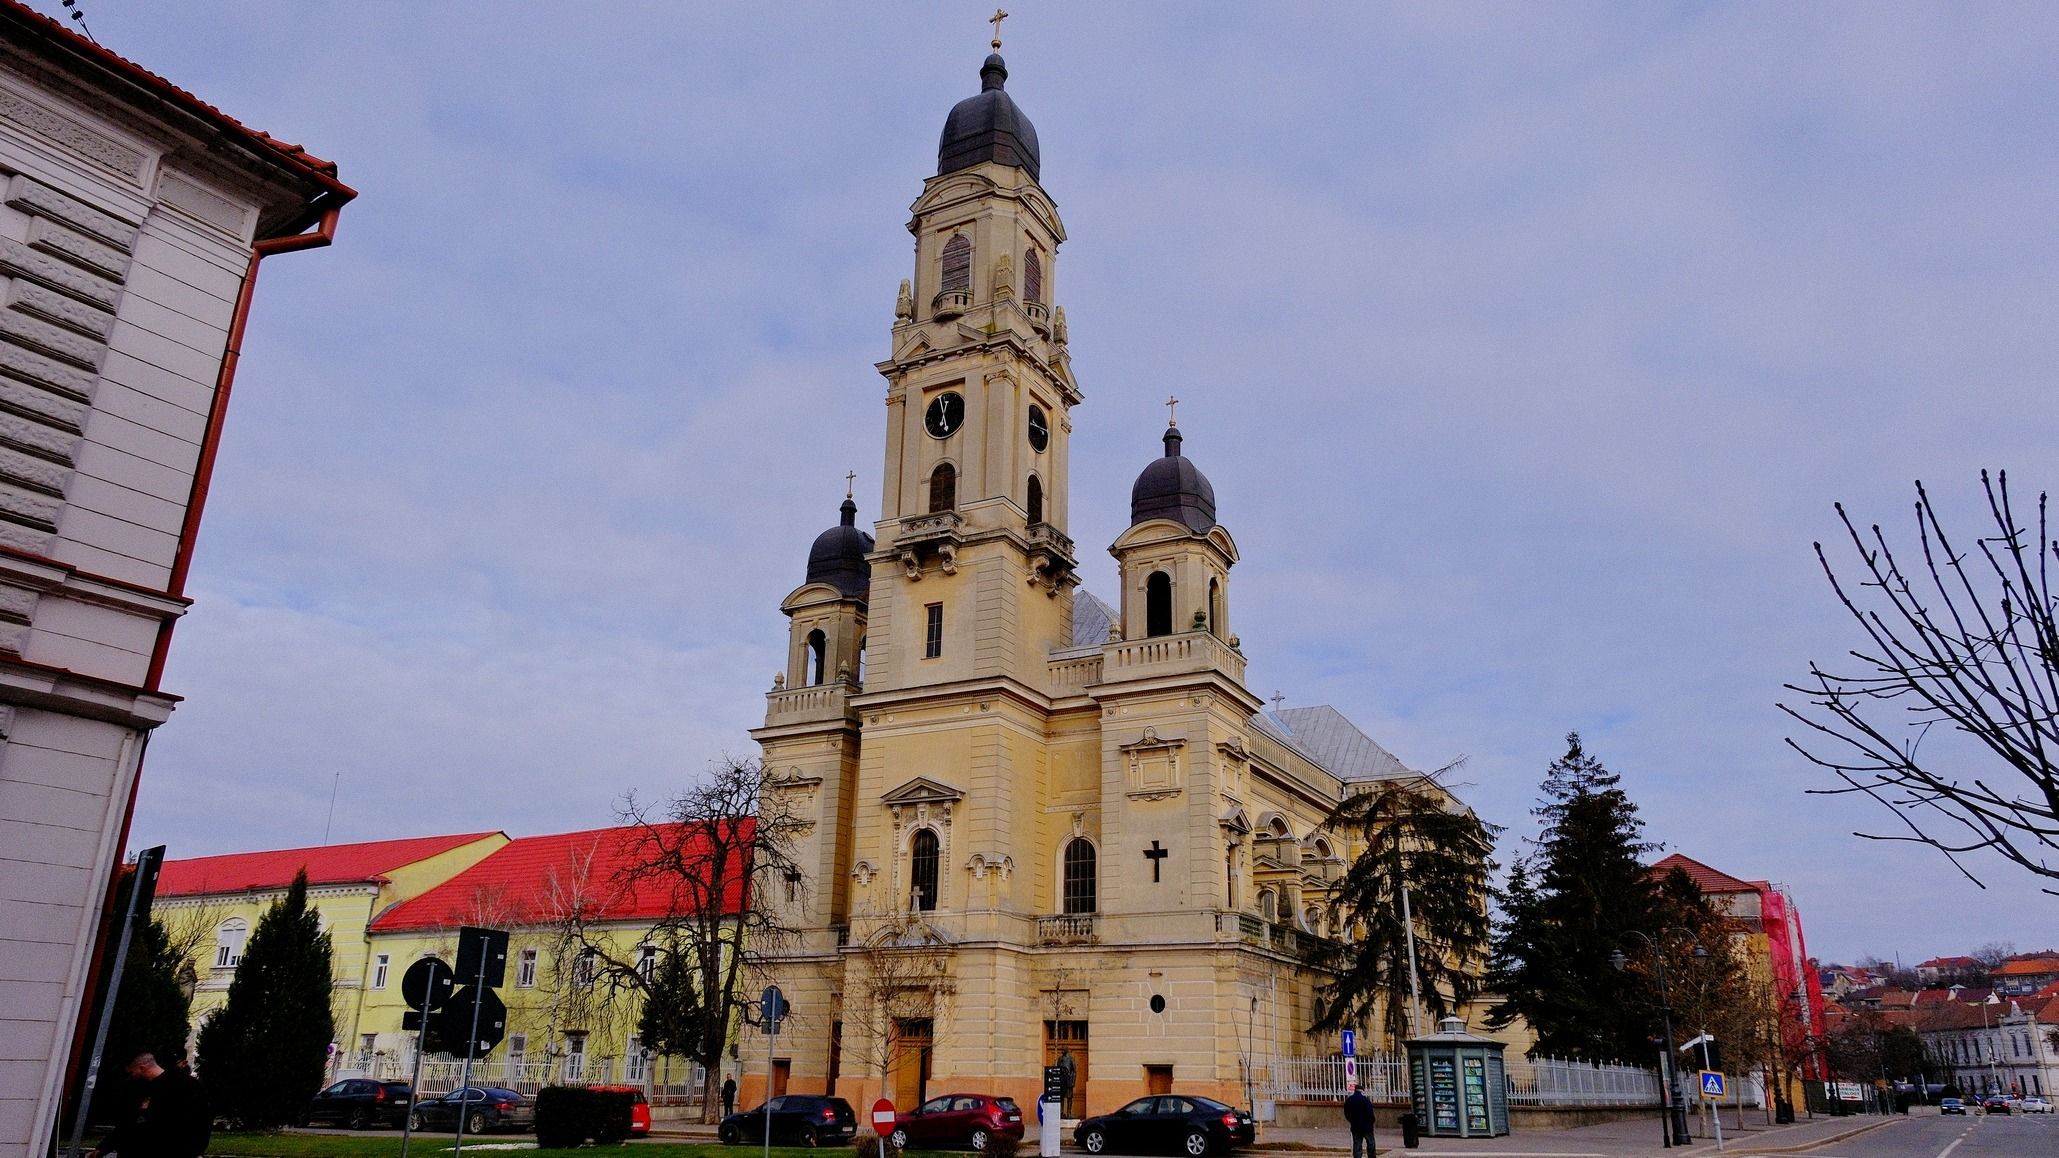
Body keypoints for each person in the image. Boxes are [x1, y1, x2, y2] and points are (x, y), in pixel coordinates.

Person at [93, 1049, 210, 1158]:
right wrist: (103, 1148)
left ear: (142, 1068)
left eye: (131, 1072)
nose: (130, 1076)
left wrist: (196, 1150)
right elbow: (128, 1123)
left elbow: (200, 1119)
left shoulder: (184, 1085)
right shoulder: (139, 1088)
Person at [1343, 1083, 1375, 1158]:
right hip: (1367, 1126)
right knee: (1370, 1143)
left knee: (1357, 1144)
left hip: (1355, 1126)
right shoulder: (1365, 1100)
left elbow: (1346, 1113)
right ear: (1362, 1091)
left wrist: (1351, 1121)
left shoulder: (1349, 1100)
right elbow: (1370, 1113)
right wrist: (1371, 1121)